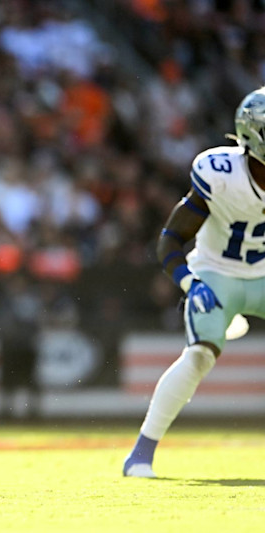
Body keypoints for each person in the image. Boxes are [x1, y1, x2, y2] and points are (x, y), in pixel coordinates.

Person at [123, 87, 265, 478]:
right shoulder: (221, 174)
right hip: (217, 273)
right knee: (200, 354)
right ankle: (140, 454)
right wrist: (190, 282)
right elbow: (170, 239)